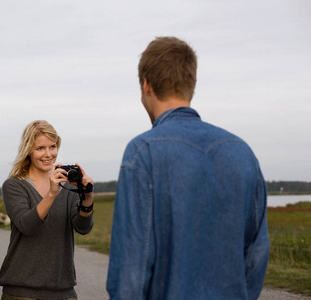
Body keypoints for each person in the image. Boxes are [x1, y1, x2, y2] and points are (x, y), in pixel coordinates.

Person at [106, 37, 270, 300]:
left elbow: (130, 272)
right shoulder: (243, 152)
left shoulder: (143, 152)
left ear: (146, 85)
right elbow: (257, 253)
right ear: (190, 85)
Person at [0, 120, 94, 300]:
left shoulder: (68, 186)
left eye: (53, 146)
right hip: (21, 291)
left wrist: (87, 196)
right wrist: (51, 193)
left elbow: (83, 227)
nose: (48, 154)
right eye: (40, 148)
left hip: (63, 291)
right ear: (28, 151)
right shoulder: (14, 185)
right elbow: (27, 225)